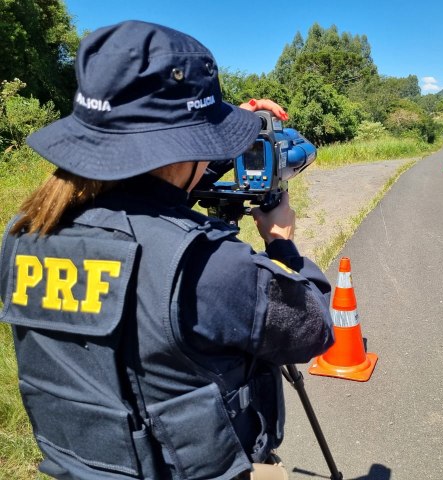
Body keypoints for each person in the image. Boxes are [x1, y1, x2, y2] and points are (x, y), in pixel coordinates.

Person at [0, 20, 334, 480]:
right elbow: (313, 330)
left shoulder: (24, 234)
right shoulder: (208, 266)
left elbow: (147, 197)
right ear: (186, 149)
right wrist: (283, 243)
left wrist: (209, 133)